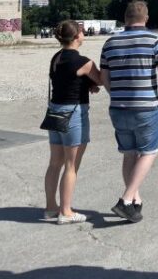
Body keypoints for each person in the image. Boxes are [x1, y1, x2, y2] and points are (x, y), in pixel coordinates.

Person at [100, 0, 158, 223]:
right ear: (146, 18)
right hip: (146, 107)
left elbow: (104, 76)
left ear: (125, 17)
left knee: (130, 153)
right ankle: (126, 199)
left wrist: (115, 95)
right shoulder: (155, 40)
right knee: (149, 152)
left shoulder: (110, 42)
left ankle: (134, 202)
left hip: (119, 108)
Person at [43, 20, 103, 224]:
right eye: (82, 32)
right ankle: (66, 212)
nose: (84, 35)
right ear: (77, 36)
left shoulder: (55, 58)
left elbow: (65, 80)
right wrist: (91, 84)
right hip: (73, 113)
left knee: (54, 163)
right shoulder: (84, 62)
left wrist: (85, 85)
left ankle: (51, 207)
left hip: (55, 111)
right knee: (71, 165)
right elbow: (101, 80)